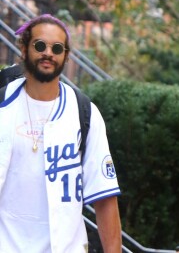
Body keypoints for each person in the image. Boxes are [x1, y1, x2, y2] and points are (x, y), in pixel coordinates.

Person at [0, 14, 122, 252]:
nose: (48, 53)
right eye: (40, 45)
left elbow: (105, 198)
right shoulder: (3, 104)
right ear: (24, 49)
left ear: (66, 55)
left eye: (57, 48)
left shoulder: (83, 112)